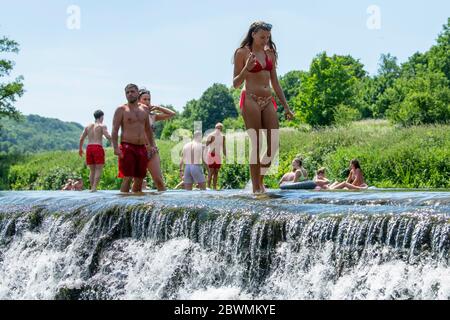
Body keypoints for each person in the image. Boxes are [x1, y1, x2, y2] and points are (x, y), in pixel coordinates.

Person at [233, 21, 295, 193]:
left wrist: (286, 107)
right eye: (262, 37)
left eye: (268, 37)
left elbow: (275, 82)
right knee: (257, 143)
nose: (265, 40)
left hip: (268, 100)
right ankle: (256, 190)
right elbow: (235, 83)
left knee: (273, 145)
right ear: (253, 34)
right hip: (250, 99)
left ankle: (259, 181)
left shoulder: (271, 53)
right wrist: (246, 69)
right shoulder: (242, 52)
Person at [112, 84, 158, 193]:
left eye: (132, 91)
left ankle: (133, 204)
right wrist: (115, 148)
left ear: (137, 93)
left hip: (142, 147)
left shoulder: (145, 109)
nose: (130, 94)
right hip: (127, 146)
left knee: (140, 178)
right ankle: (122, 204)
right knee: (127, 177)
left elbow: (148, 130)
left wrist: (152, 146)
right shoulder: (121, 109)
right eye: (127, 92)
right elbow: (114, 130)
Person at [138, 88, 176, 191]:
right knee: (139, 183)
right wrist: (147, 146)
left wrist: (158, 107)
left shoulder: (153, 116)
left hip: (153, 151)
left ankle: (163, 206)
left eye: (149, 99)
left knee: (159, 181)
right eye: (144, 99)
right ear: (138, 100)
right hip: (139, 151)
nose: (147, 102)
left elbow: (172, 114)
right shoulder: (134, 115)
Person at [79, 110, 112, 192]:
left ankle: (92, 187)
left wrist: (80, 149)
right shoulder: (102, 126)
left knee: (92, 170)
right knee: (98, 169)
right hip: (97, 147)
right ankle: (94, 188)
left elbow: (81, 138)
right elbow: (108, 136)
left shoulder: (88, 126)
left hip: (89, 147)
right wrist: (114, 142)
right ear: (101, 117)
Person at [206, 123, 226, 190]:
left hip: (218, 155)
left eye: (220, 128)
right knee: (211, 171)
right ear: (215, 128)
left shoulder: (223, 136)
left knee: (216, 172)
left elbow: (224, 147)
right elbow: (206, 144)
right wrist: (211, 140)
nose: (218, 129)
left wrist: (225, 155)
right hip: (211, 154)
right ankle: (208, 187)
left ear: (221, 129)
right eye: (217, 128)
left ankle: (214, 187)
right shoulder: (211, 135)